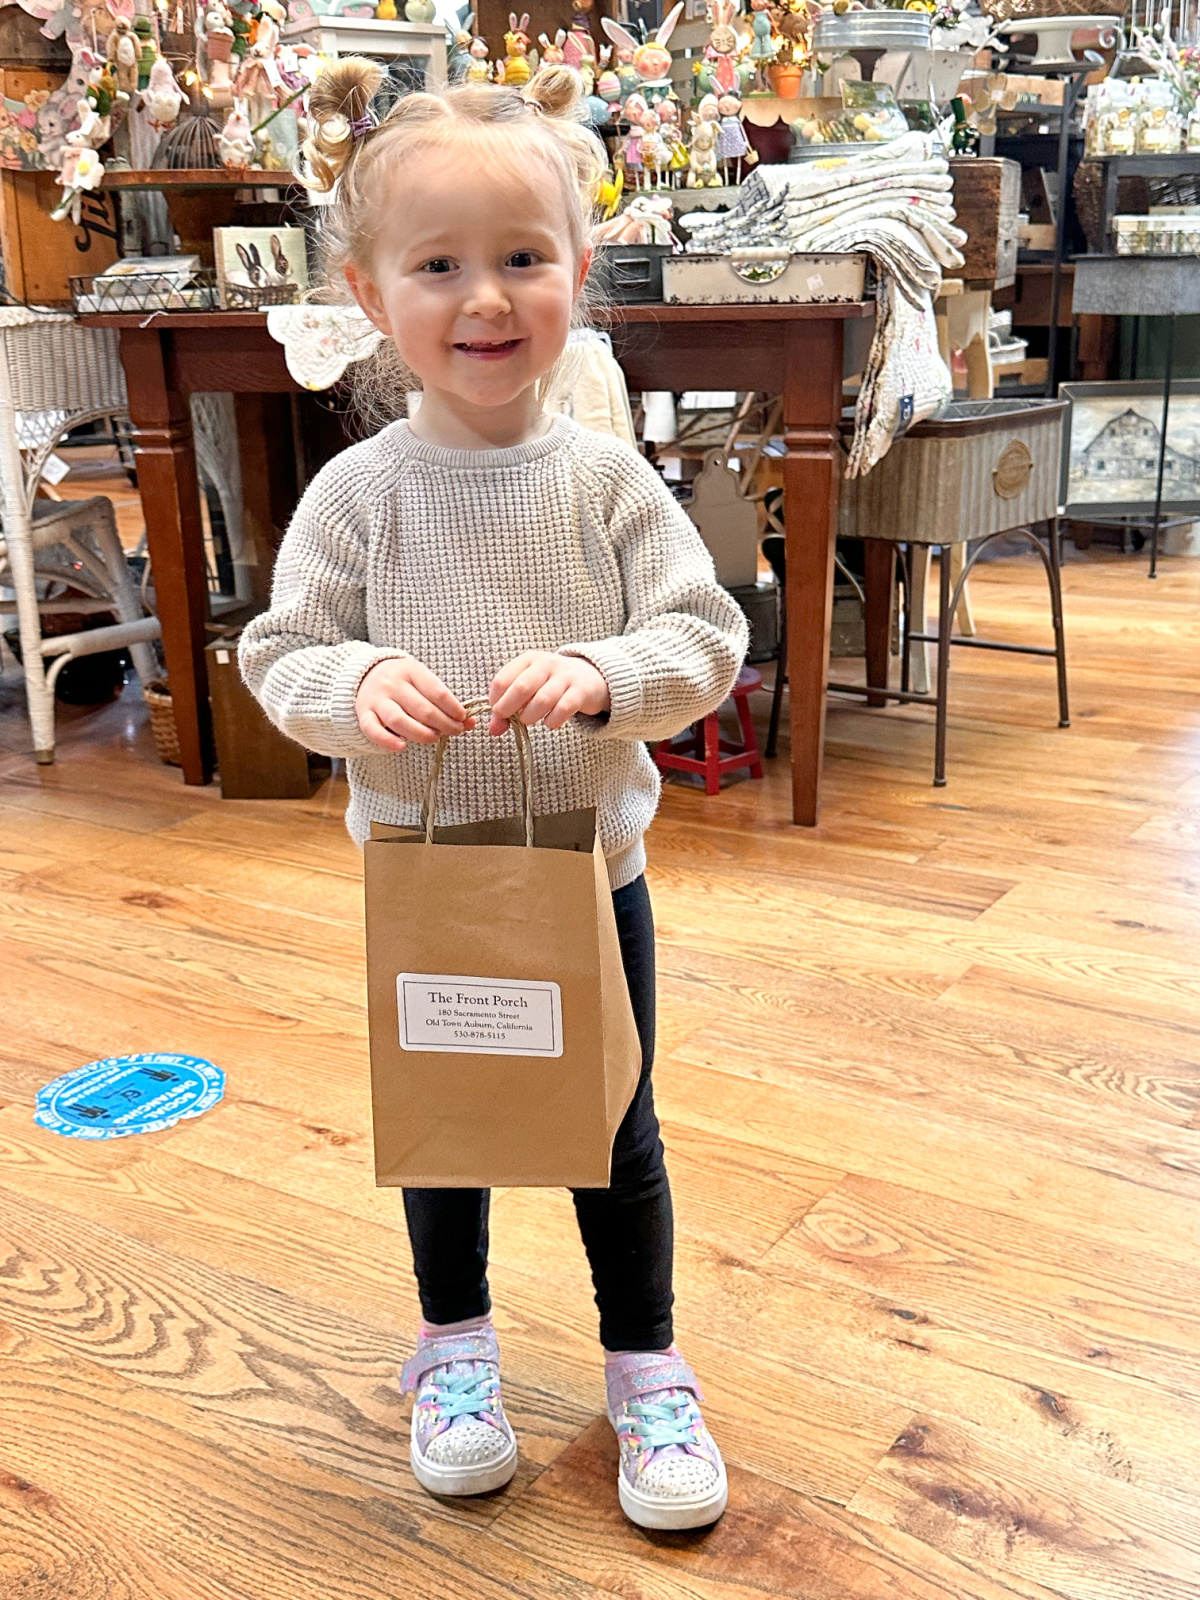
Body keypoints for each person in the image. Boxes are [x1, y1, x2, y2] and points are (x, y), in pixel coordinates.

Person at [239, 57, 748, 1532]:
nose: (486, 299)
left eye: (524, 257)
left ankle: (645, 1363)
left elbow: (705, 635)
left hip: (588, 872)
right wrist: (350, 687)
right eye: (439, 265)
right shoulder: (358, 494)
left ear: (579, 270)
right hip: (426, 873)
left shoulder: (607, 484)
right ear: (366, 291)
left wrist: (603, 670)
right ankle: (453, 1348)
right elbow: (280, 651)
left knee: (616, 1126)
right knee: (445, 1120)